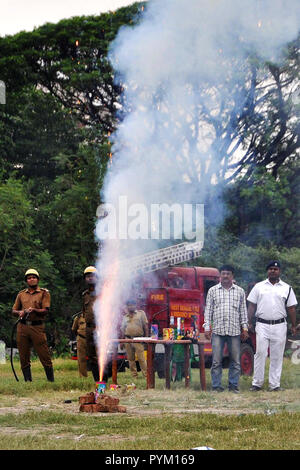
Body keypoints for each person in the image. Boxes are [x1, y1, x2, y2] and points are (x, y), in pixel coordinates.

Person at [247, 260, 298, 392]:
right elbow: (252, 305)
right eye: (270, 269)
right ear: (267, 271)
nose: (273, 271)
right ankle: (257, 383)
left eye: (275, 269)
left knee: (277, 355)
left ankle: (274, 385)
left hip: (280, 325)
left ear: (279, 271)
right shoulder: (259, 286)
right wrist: (249, 321)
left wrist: (293, 325)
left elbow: (291, 308)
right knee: (260, 353)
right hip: (262, 324)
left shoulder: (287, 288)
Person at [203, 265, 249, 393]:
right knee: (216, 361)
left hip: (234, 331)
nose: (225, 276)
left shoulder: (240, 291)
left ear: (232, 276)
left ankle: (233, 386)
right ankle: (216, 386)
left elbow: (243, 311)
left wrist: (244, 328)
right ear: (220, 276)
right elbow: (208, 310)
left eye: (228, 274)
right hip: (217, 331)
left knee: (235, 360)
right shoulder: (213, 290)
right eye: (223, 273)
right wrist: (207, 327)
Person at [12, 269, 54, 382]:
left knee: (44, 353)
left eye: (34, 277)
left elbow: (46, 310)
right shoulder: (21, 294)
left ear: (38, 279)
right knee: (23, 354)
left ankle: (50, 380)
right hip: (22, 327)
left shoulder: (44, 293)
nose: (32, 279)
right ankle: (28, 381)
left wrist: (34, 310)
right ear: (26, 280)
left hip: (37, 326)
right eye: (29, 278)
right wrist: (19, 312)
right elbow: (13, 310)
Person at [121, 299, 148, 379]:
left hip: (138, 339)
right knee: (131, 359)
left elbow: (145, 326)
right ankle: (134, 376)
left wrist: (146, 339)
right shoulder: (125, 317)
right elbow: (123, 329)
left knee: (141, 358)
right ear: (127, 307)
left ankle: (146, 376)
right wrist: (122, 341)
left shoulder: (141, 314)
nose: (131, 307)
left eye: (132, 305)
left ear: (135, 306)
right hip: (128, 339)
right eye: (129, 305)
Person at [71, 312, 88, 377]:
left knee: (95, 358)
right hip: (81, 339)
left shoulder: (94, 315)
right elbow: (74, 329)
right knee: (81, 358)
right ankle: (83, 376)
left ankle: (98, 376)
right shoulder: (78, 317)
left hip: (92, 339)